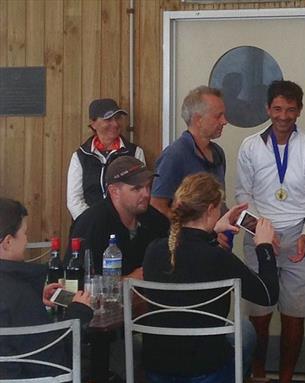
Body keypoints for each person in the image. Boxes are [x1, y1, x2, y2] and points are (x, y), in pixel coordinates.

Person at [142, 173, 296, 383]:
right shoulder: (217, 258)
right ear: (212, 208)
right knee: (244, 334)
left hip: (156, 374)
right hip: (203, 378)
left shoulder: (154, 250)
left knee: (236, 335)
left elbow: (189, 256)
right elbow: (268, 295)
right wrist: (264, 246)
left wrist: (212, 231)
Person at [0, 198, 145, 383]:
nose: (27, 240)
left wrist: (35, 297)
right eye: (25, 234)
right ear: (8, 242)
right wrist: (78, 313)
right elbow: (57, 365)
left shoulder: (16, 293)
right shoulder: (20, 296)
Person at [235, 80, 305, 383]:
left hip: (300, 234)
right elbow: (242, 198)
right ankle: (257, 379)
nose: (283, 116)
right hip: (260, 235)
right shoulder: (250, 146)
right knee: (259, 313)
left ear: (299, 110)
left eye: (290, 109)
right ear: (267, 110)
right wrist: (263, 233)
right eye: (277, 109)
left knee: (294, 313)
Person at [70, 156, 169, 279]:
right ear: (114, 191)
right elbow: (74, 282)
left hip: (150, 296)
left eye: (148, 186)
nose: (147, 194)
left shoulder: (154, 219)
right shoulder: (91, 223)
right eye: (137, 188)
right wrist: (131, 280)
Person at [151, 86, 227, 220]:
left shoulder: (218, 153)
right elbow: (157, 205)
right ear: (198, 120)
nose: (224, 121)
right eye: (218, 116)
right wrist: (187, 229)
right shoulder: (174, 155)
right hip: (185, 239)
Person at [67, 98, 145, 219]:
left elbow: (140, 191)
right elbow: (74, 200)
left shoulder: (135, 152)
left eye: (118, 118)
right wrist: (92, 222)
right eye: (108, 119)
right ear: (93, 124)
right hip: (88, 226)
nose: (115, 124)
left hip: (124, 224)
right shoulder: (80, 156)